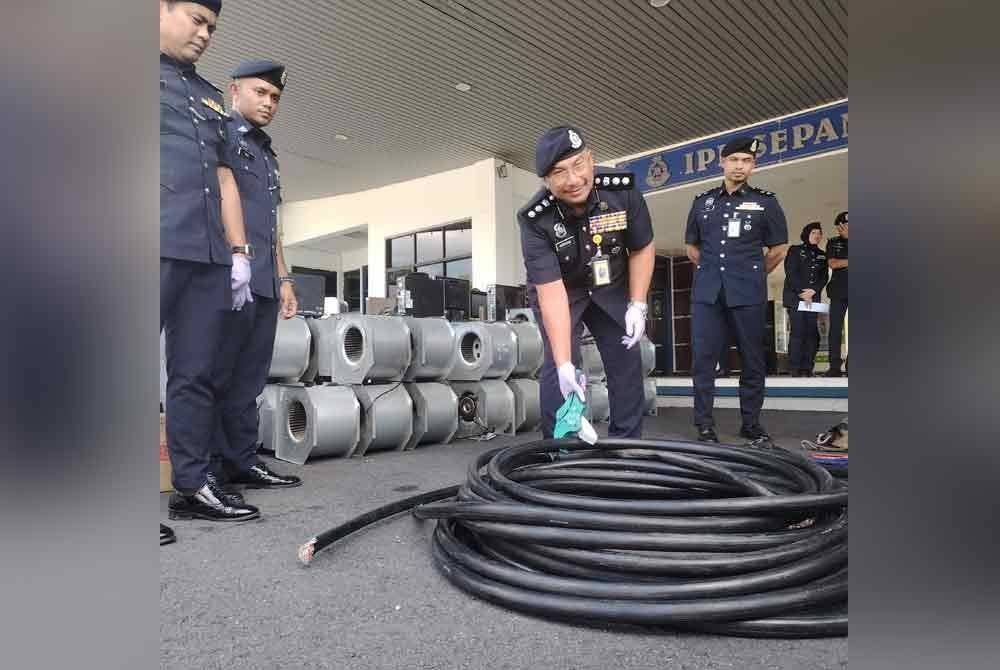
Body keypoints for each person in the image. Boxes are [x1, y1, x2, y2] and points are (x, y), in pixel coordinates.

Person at [161, 0, 260, 522]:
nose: (205, 34)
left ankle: (194, 486)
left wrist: (239, 251)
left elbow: (226, 180)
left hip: (206, 254)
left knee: (196, 372)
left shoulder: (209, 97)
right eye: (196, 20)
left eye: (212, 27)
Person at [518, 126, 655, 439]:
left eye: (579, 165)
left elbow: (642, 246)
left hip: (610, 283)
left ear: (591, 160)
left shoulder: (622, 190)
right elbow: (551, 294)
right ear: (546, 181)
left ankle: (626, 446)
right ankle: (562, 448)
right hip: (563, 290)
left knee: (626, 358)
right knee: (561, 366)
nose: (573, 179)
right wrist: (565, 362)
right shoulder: (534, 219)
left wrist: (637, 303)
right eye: (559, 173)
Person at [210, 60, 302, 494]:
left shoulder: (267, 153)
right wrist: (234, 257)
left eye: (275, 97)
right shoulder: (219, 134)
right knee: (217, 374)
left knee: (250, 377)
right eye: (260, 92)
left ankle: (242, 462)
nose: (269, 102)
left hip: (264, 280)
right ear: (234, 90)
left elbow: (273, 223)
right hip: (231, 275)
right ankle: (207, 469)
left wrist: (285, 280)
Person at [684, 137, 789, 445]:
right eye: (734, 160)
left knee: (753, 359)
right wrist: (713, 271)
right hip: (708, 295)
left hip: (748, 294)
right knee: (703, 360)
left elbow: (779, 249)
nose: (740, 166)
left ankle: (751, 423)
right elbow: (691, 247)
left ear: (753, 165)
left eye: (746, 160)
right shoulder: (701, 202)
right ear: (723, 162)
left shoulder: (766, 202)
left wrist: (751, 275)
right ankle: (704, 424)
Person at [782, 222, 829, 376]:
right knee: (798, 332)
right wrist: (803, 292)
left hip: (812, 299)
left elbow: (823, 277)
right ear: (806, 234)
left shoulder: (822, 254)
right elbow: (791, 272)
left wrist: (813, 291)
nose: (817, 235)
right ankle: (794, 368)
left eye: (819, 233)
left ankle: (807, 368)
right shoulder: (795, 250)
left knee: (811, 333)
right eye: (814, 232)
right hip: (796, 298)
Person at [824, 211, 849, 377]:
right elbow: (833, 263)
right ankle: (834, 366)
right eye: (841, 226)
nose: (843, 228)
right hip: (838, 290)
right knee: (835, 329)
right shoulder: (833, 242)